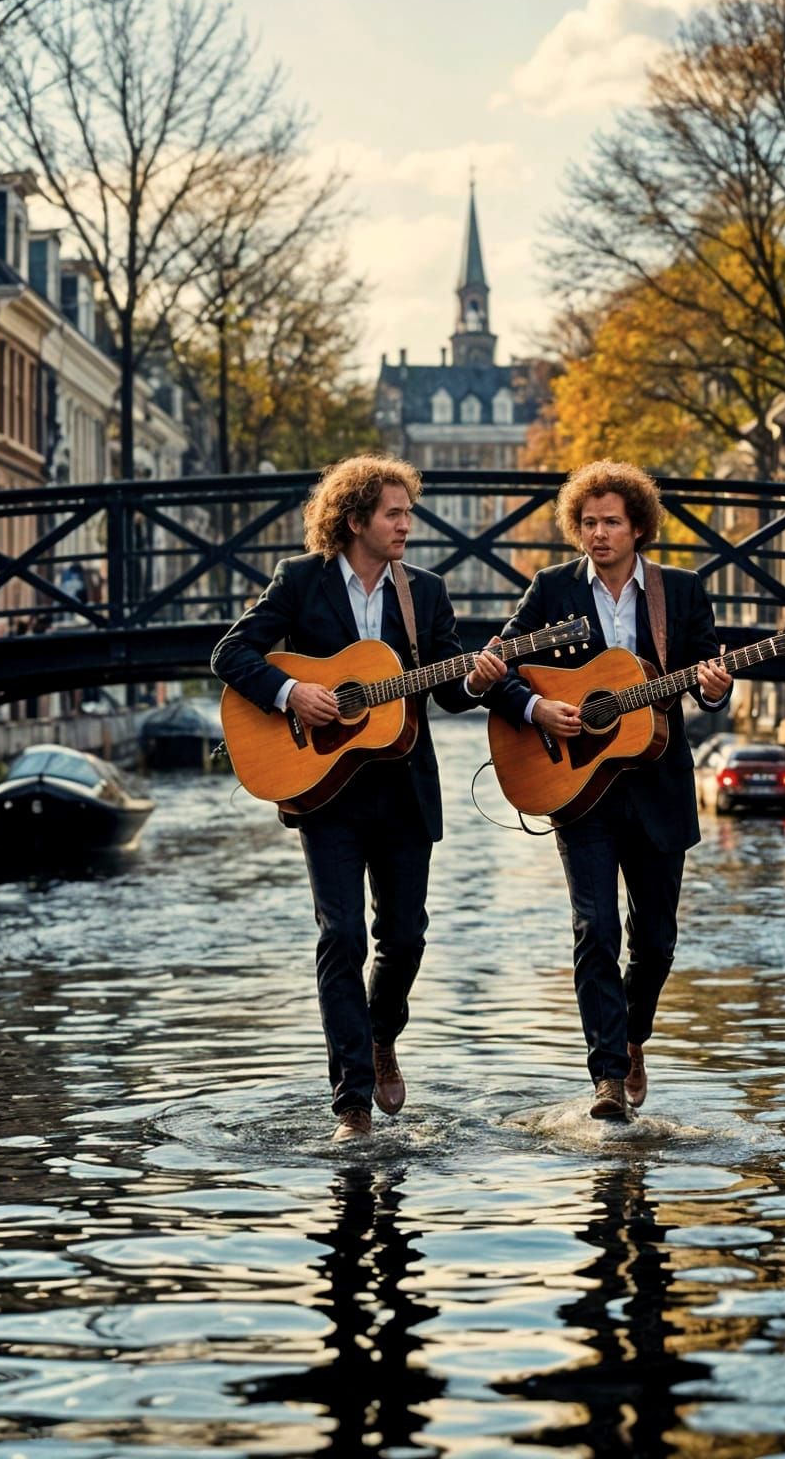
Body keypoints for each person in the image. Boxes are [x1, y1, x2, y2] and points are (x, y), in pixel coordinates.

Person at [210, 455, 505, 1142]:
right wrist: (293, 693)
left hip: (403, 791)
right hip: (324, 791)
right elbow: (231, 653)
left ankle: (381, 1036)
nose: (408, 524)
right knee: (339, 935)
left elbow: (450, 691)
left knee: (403, 938)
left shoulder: (424, 592)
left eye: (408, 512)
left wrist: (485, 675)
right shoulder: (300, 581)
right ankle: (352, 1103)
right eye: (394, 514)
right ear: (355, 521)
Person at [485, 460, 731, 1122]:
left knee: (656, 942)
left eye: (611, 522)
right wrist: (537, 711)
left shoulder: (680, 592)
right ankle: (607, 1079)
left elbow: (709, 671)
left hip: (658, 787)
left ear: (639, 527)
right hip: (580, 789)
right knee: (595, 928)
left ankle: (631, 1035)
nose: (597, 534)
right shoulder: (551, 589)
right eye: (587, 522)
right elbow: (497, 668)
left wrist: (715, 687)